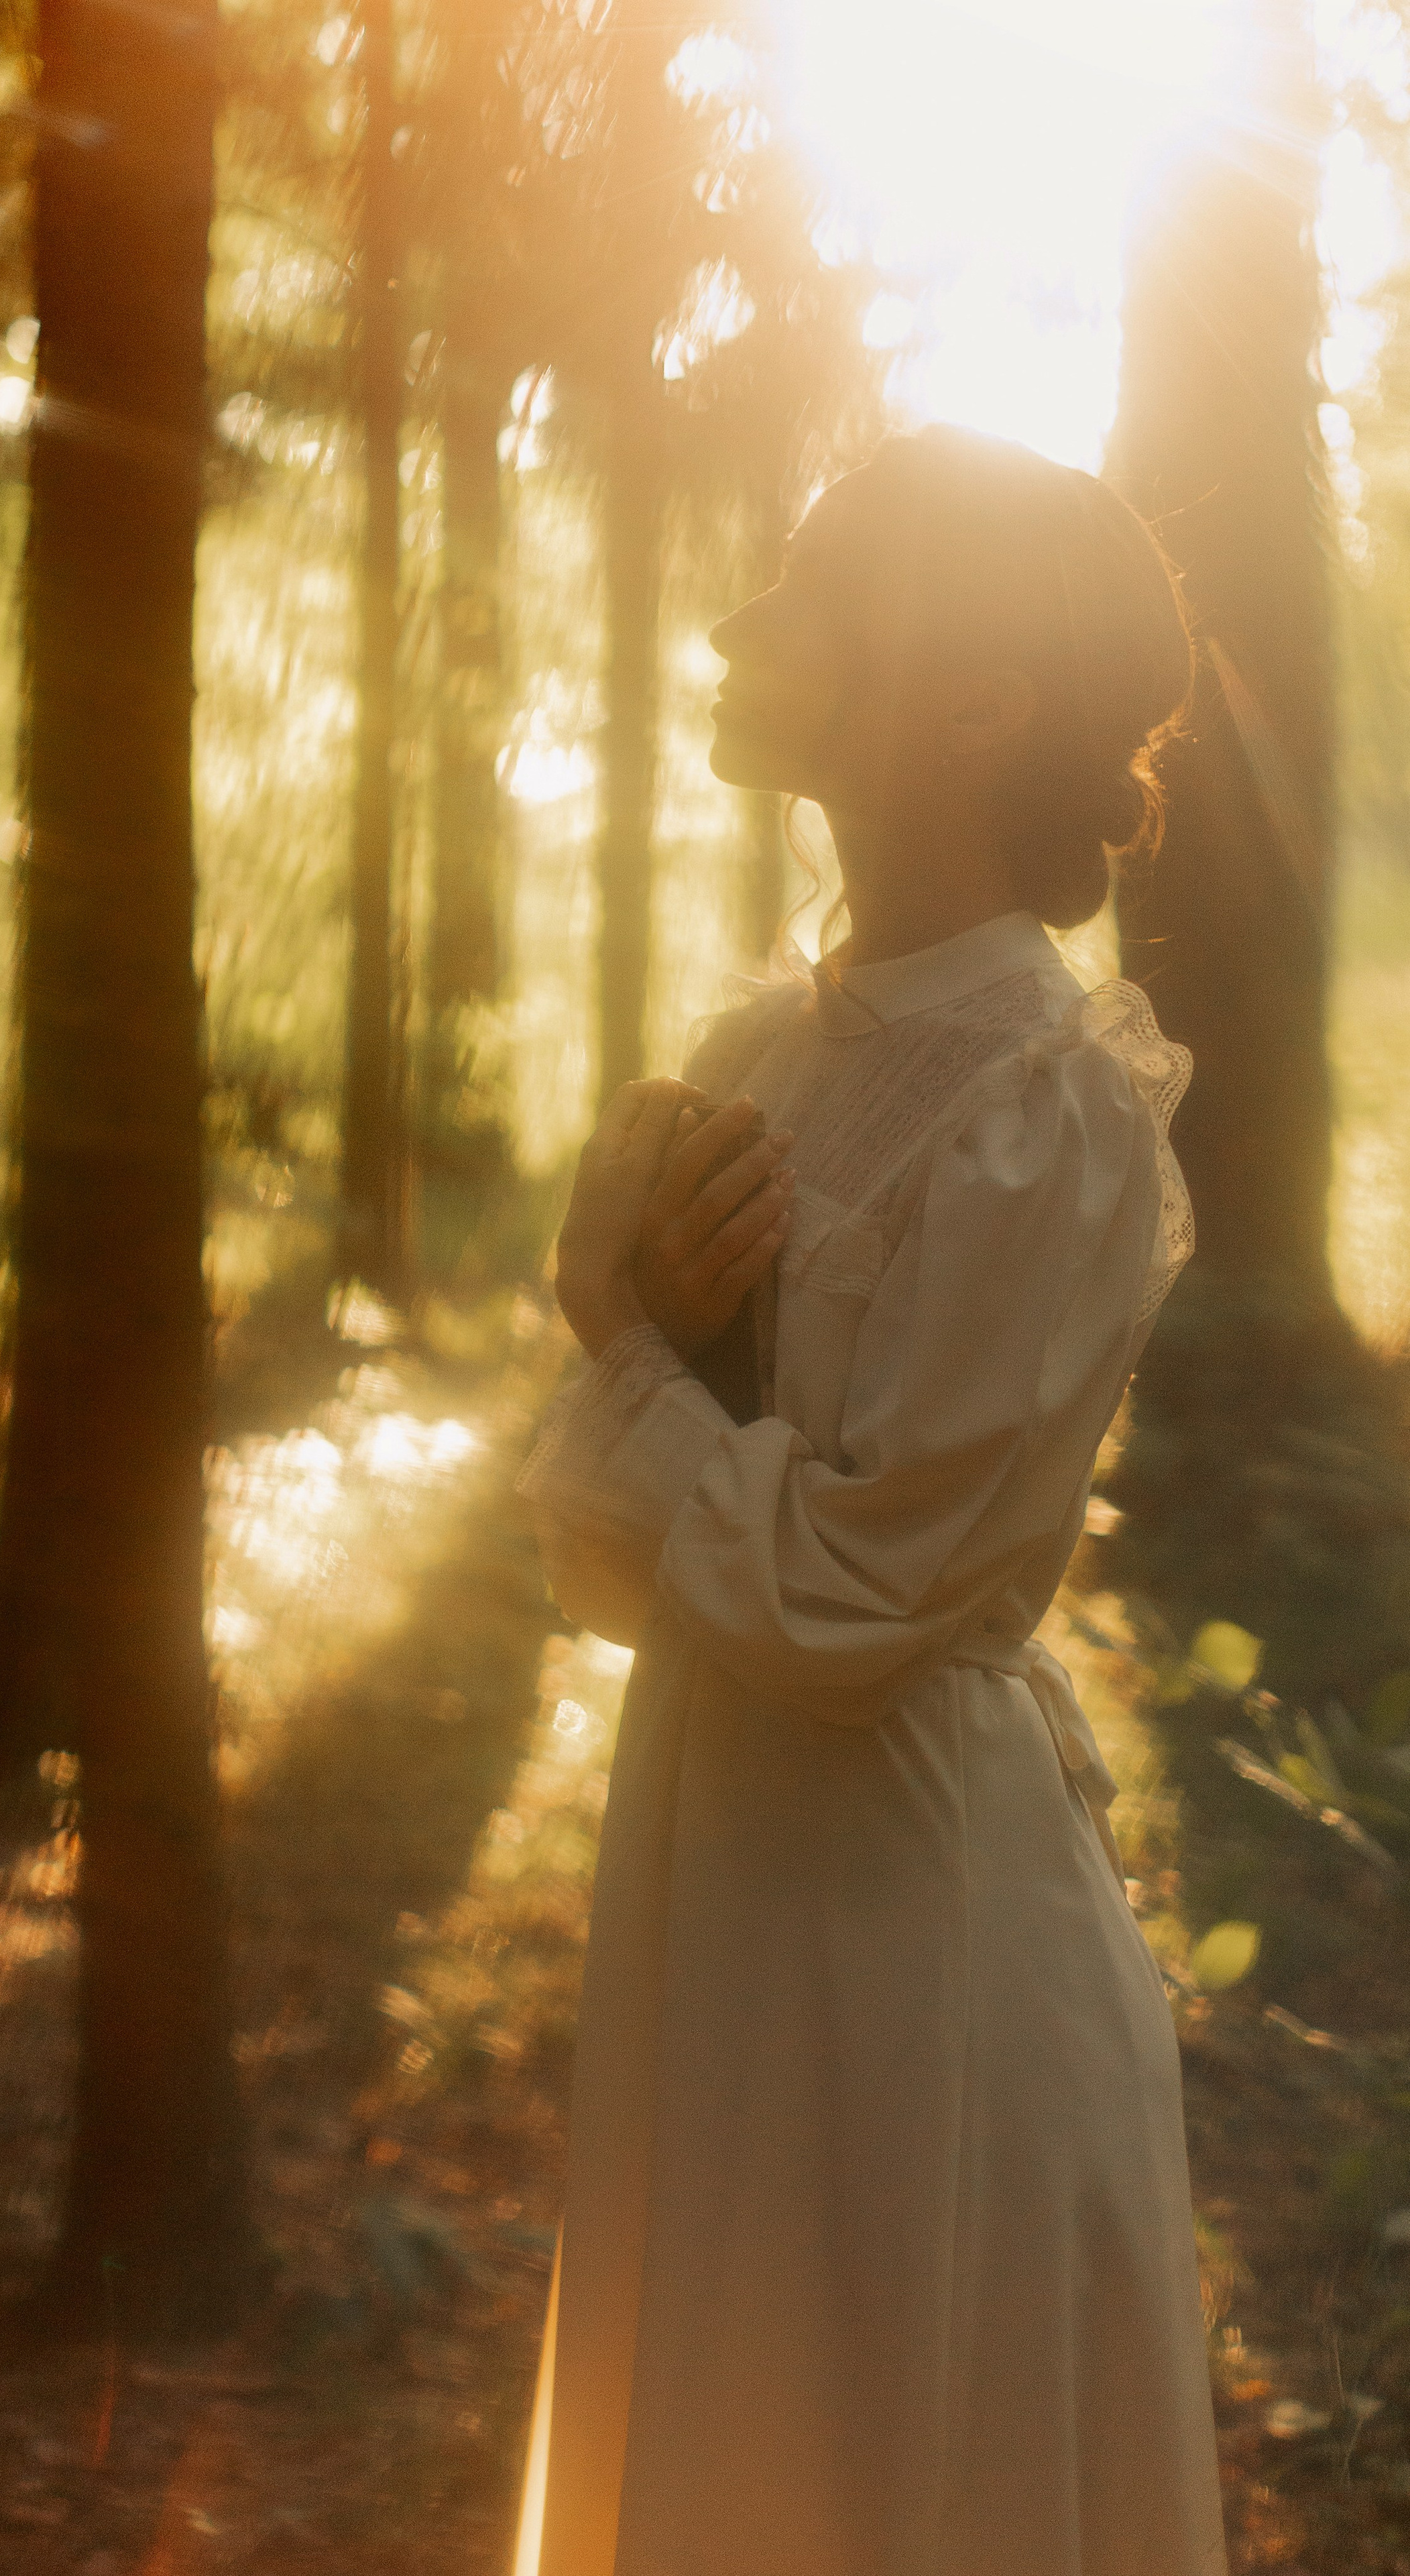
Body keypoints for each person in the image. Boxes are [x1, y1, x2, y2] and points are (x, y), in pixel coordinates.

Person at [513, 425, 1228, 2576]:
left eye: (811, 586)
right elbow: (620, 1572)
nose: (741, 625)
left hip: (907, 1926)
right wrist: (640, 1373)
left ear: (980, 698)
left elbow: (846, 1605)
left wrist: (613, 1334)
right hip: (716, 1866)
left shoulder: (1050, 1107)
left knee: (885, 2470)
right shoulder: (754, 1049)